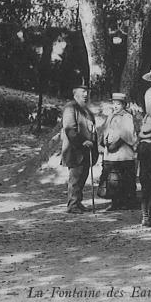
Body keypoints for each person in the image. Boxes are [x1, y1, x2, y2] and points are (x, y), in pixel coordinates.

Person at [61, 81, 98, 214]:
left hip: (86, 151)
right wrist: (83, 142)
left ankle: (78, 202)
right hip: (75, 151)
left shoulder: (86, 110)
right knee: (75, 179)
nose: (86, 94)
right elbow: (69, 129)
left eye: (87, 92)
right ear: (75, 93)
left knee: (82, 178)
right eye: (83, 92)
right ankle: (72, 205)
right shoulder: (70, 107)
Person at [99, 93, 138, 211]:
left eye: (118, 104)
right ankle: (115, 202)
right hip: (111, 153)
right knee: (112, 178)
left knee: (125, 178)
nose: (115, 106)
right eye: (114, 103)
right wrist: (105, 142)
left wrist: (116, 144)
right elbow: (105, 130)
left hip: (123, 152)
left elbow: (128, 133)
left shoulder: (127, 117)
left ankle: (127, 202)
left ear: (124, 105)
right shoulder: (111, 116)